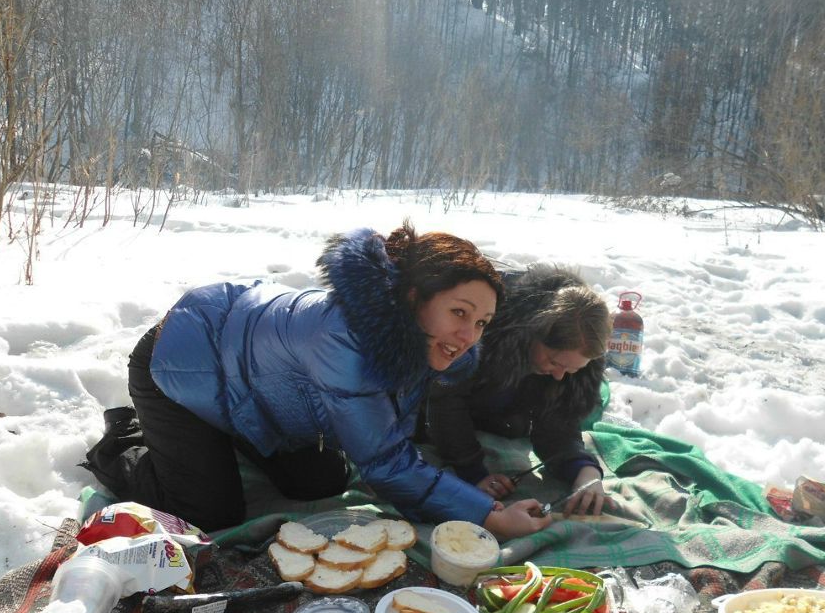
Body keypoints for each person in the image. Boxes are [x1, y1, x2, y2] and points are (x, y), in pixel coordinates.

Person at [83, 222, 550, 538]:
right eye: (459, 313)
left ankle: (223, 438)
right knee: (213, 513)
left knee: (321, 481)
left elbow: (392, 433)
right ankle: (124, 440)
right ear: (413, 296)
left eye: (482, 323)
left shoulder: (411, 335)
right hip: (180, 361)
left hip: (248, 376)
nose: (469, 336)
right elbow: (387, 463)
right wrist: (491, 517)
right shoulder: (345, 340)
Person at [423, 265, 614, 515]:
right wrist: (472, 471)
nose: (559, 375)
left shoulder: (565, 366)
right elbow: (444, 396)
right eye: (554, 362)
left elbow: (559, 421)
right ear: (533, 334)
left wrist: (584, 471)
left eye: (572, 370)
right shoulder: (482, 328)